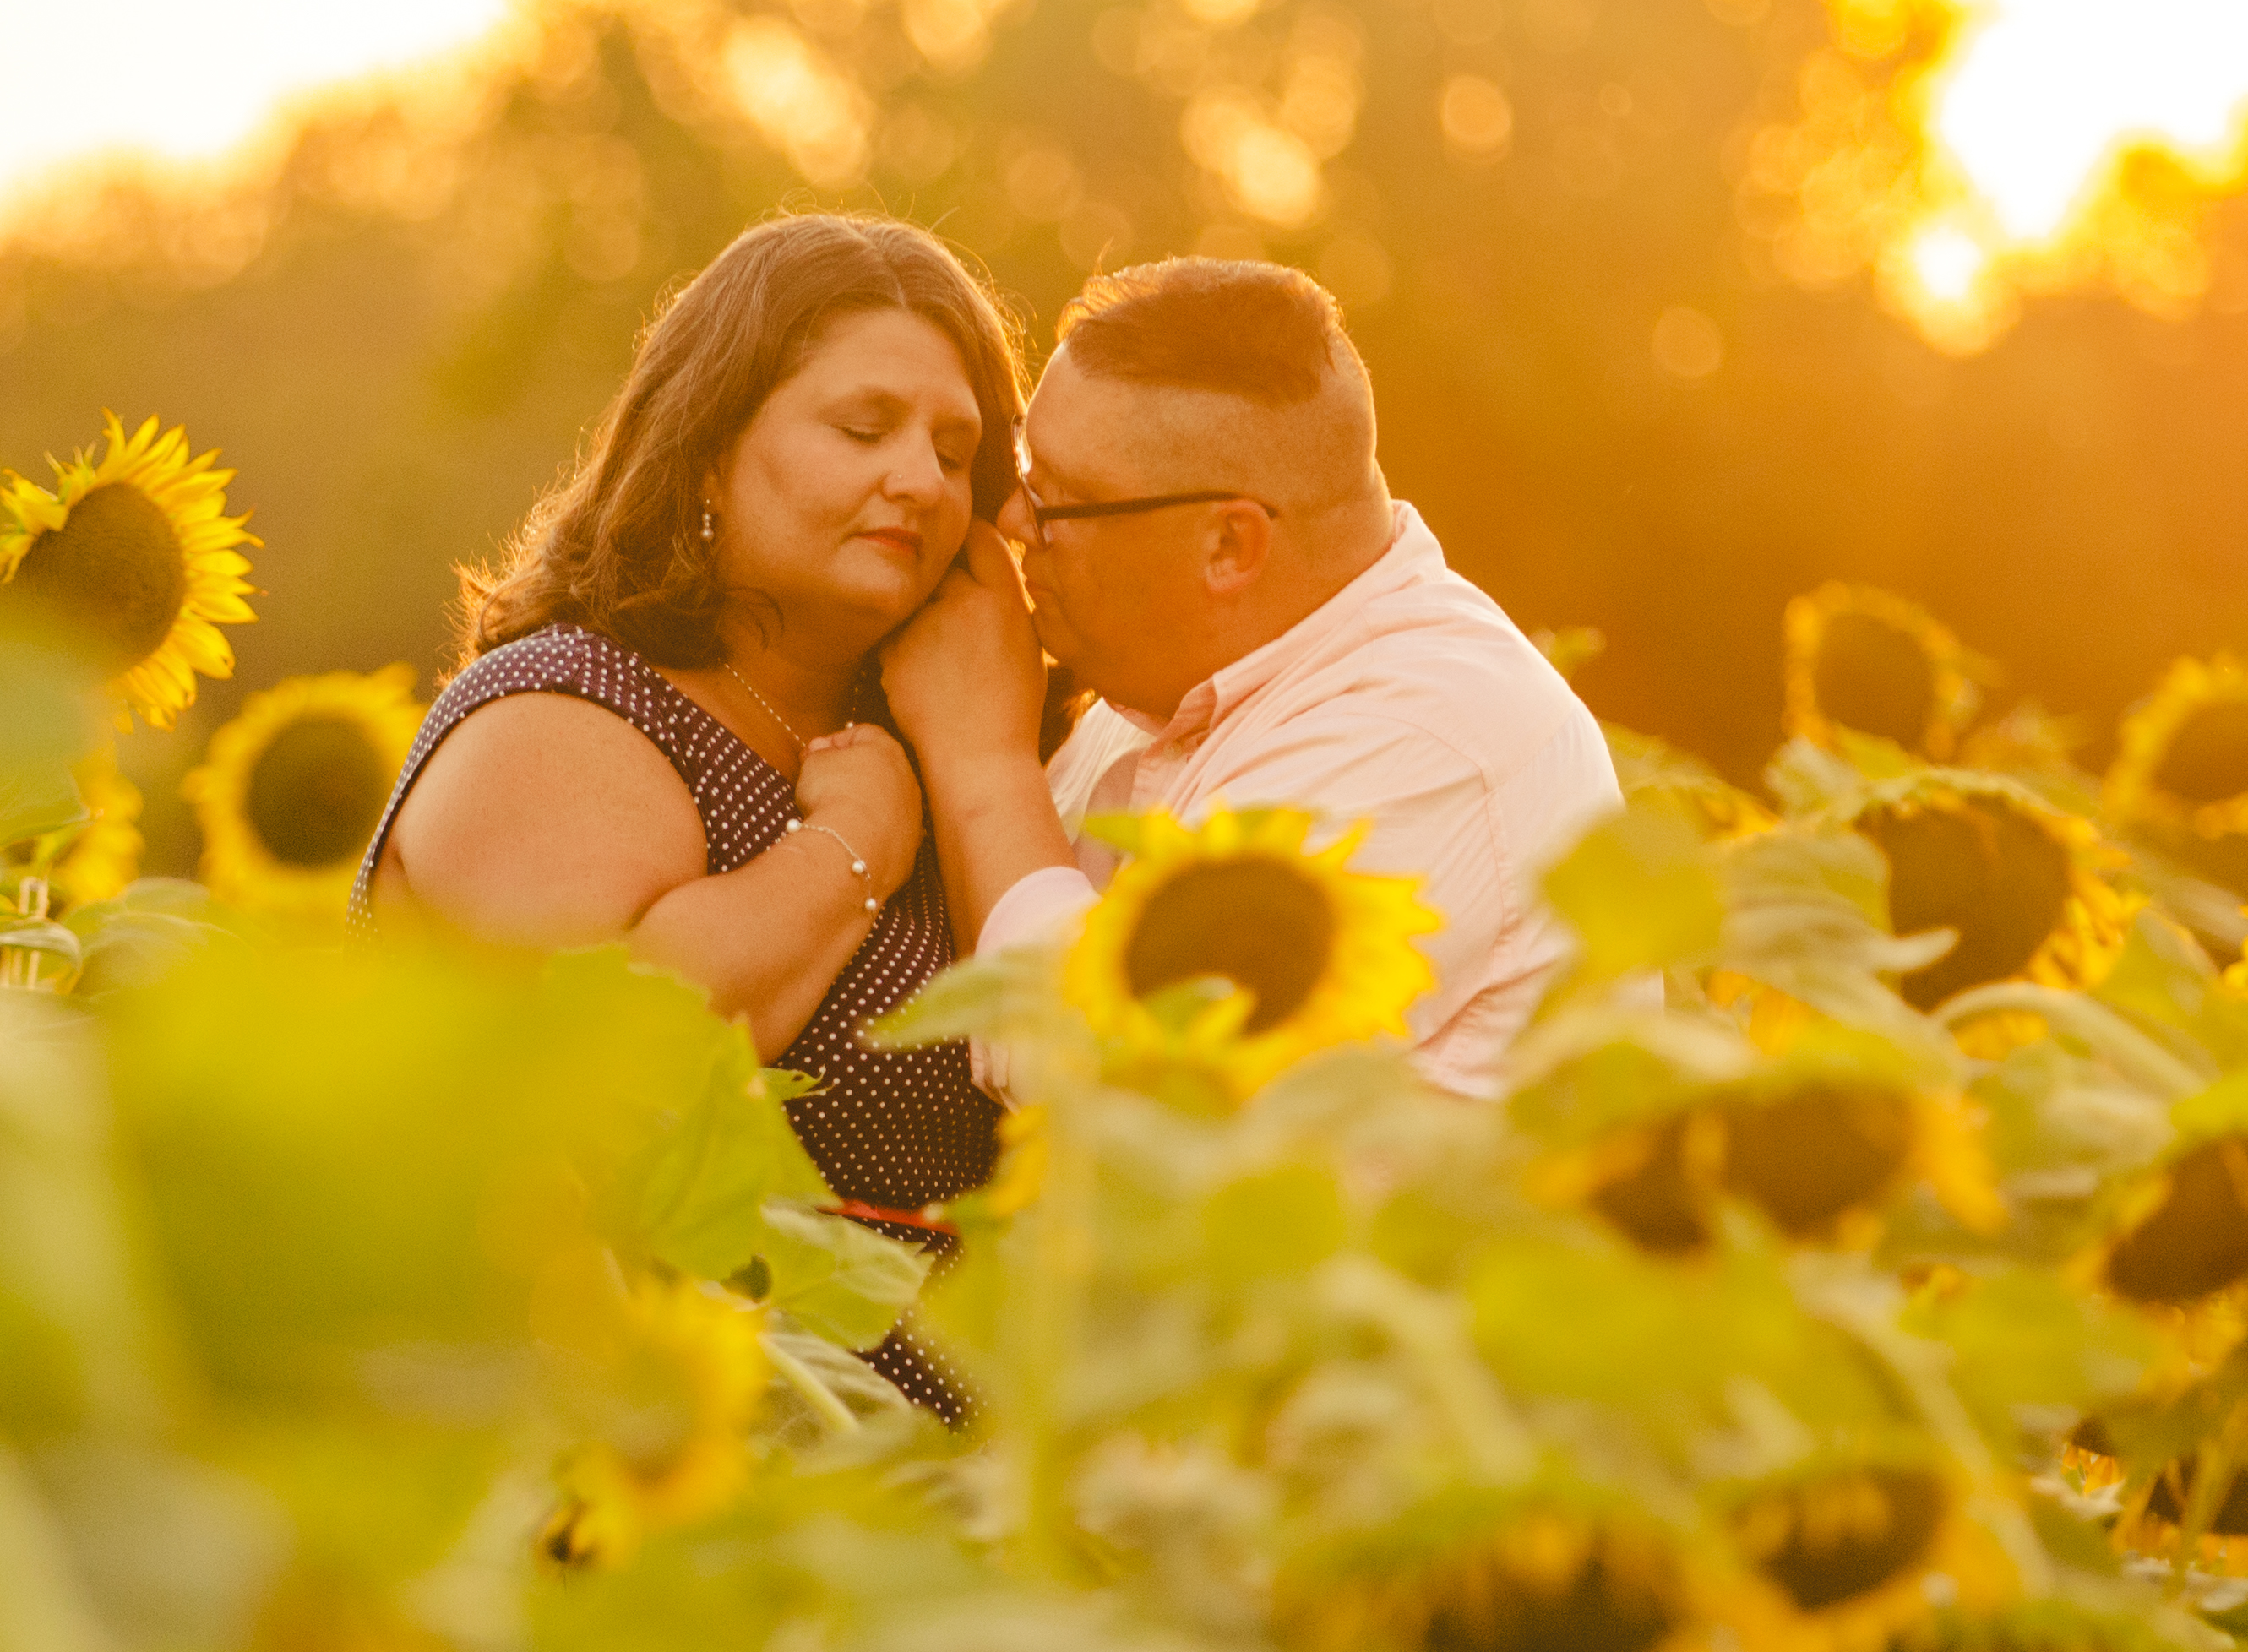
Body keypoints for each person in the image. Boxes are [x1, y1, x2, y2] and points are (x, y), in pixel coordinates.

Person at [352, 215, 1036, 1421]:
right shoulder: (564, 705)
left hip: (946, 1517)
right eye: (864, 428)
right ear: (709, 449)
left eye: (954, 449)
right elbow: (617, 1062)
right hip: (656, 1480)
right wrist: (858, 843)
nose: (921, 481)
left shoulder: (943, 749)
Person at [890, 257, 1622, 1097]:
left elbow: (1129, 1087)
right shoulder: (1172, 677)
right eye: (1022, 477)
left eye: (1055, 501)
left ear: (1229, 546)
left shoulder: (1432, 734)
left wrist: (983, 763)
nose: (1015, 522)